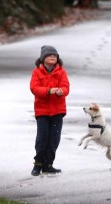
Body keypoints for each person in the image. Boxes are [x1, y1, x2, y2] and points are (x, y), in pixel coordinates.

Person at [29, 45, 70, 176]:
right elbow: (34, 88)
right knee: (42, 138)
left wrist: (60, 91)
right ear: (43, 58)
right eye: (50, 55)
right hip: (42, 112)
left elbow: (66, 87)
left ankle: (48, 164)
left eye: (55, 55)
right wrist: (49, 90)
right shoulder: (37, 72)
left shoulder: (61, 72)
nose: (53, 57)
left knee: (54, 139)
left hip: (58, 111)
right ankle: (38, 164)